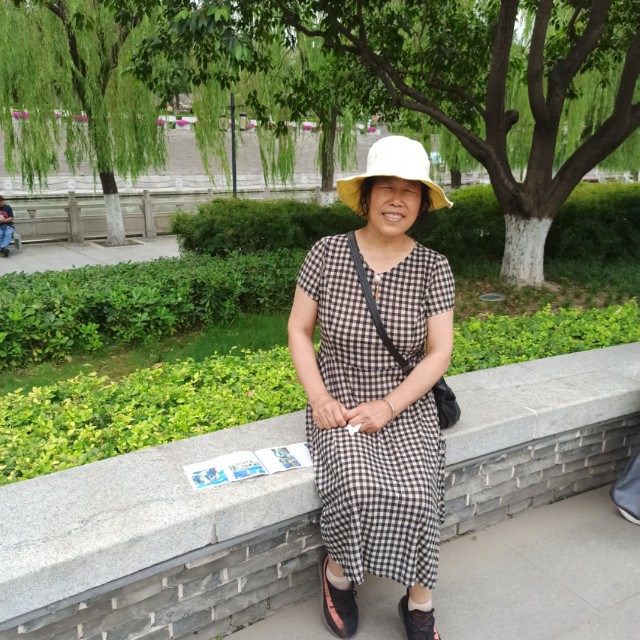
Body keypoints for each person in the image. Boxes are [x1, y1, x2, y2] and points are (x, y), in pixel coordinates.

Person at [288, 135, 455, 640]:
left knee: (421, 489)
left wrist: (389, 405)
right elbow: (298, 329)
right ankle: (338, 576)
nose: (398, 200)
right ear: (366, 195)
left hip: (405, 400)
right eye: (387, 187)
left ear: (422, 202)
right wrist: (319, 397)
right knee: (355, 484)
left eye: (411, 190)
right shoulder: (326, 253)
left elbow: (439, 353)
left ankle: (419, 601)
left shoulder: (434, 267)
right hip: (339, 395)